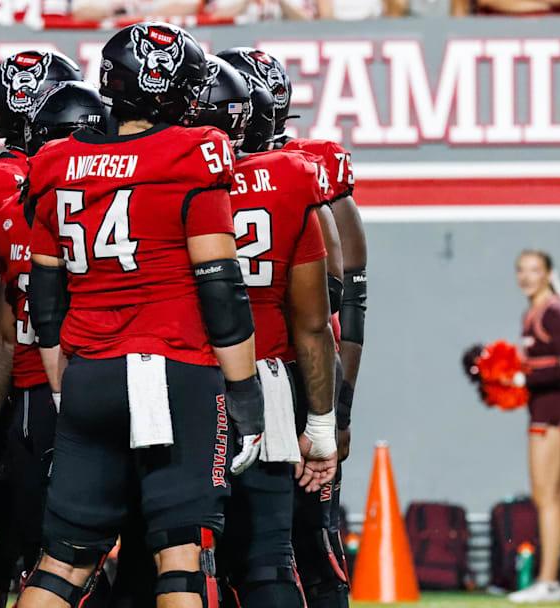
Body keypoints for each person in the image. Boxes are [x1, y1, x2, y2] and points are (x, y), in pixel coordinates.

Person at [17, 22, 266, 607]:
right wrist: (247, 396)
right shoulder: (191, 152)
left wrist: (62, 389)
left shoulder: (56, 162)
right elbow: (220, 287)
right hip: (174, 369)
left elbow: (45, 300)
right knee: (182, 554)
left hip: (88, 374)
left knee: (63, 562)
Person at [223, 45, 366, 608]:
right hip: (273, 376)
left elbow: (344, 304)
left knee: (303, 543)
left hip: (291, 379)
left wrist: (336, 415)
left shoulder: (306, 169)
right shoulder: (292, 173)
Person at [199, 57, 338, 607]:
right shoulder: (290, 175)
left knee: (172, 555)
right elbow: (322, 316)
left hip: (180, 371)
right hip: (269, 376)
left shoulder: (160, 170)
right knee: (269, 554)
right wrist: (325, 421)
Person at [0, 81, 110, 601]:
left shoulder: (8, 217)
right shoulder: (115, 205)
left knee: (46, 556)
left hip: (35, 398)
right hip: (101, 381)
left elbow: (1, 334)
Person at [508, 250, 560, 604]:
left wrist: (522, 375)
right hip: (539, 415)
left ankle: (547, 580)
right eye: (521, 270)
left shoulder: (552, 312)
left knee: (548, 500)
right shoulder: (530, 314)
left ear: (548, 274)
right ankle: (547, 578)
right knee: (546, 498)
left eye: (534, 270)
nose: (526, 277)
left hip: (553, 417)